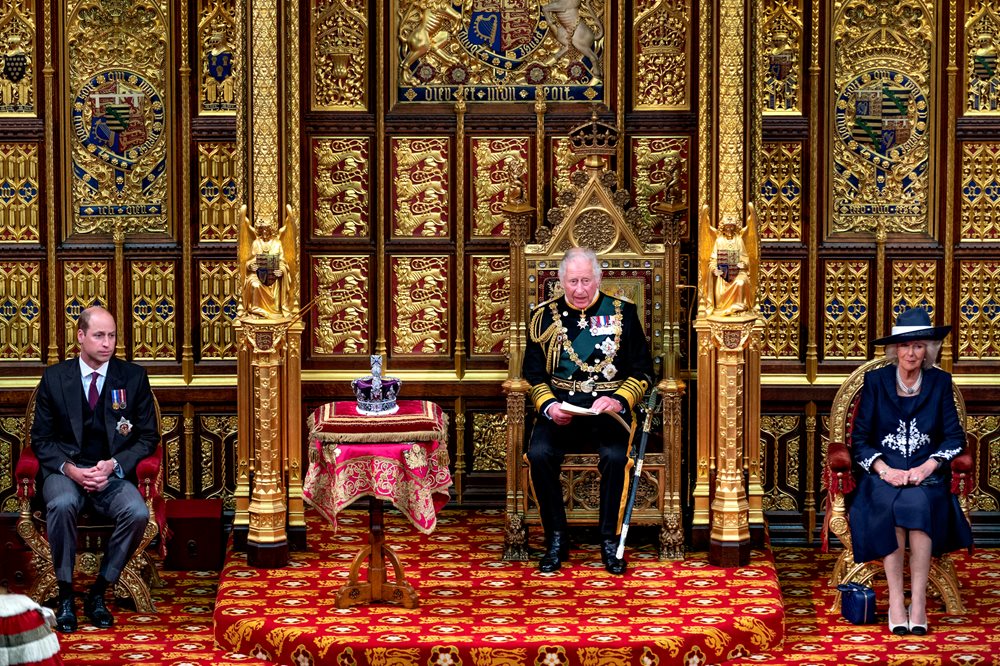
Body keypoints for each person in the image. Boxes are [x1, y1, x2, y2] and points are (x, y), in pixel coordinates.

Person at [522, 247, 653, 575]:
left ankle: (609, 540)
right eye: (572, 282)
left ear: (598, 278)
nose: (579, 290)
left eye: (585, 281)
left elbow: (643, 371)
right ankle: (556, 538)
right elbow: (534, 374)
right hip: (560, 410)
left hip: (607, 412)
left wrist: (618, 400)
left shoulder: (622, 312)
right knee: (538, 453)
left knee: (613, 456)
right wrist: (549, 406)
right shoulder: (544, 317)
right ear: (562, 281)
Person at [30, 307, 159, 633]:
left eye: (112, 336)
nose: (107, 343)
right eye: (99, 336)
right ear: (81, 337)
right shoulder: (55, 378)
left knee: (137, 512)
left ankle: (99, 591)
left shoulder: (132, 377)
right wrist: (71, 470)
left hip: (110, 474)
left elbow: (148, 437)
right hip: (66, 473)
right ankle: (65, 596)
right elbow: (41, 440)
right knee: (61, 503)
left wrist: (114, 465)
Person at [848, 307, 973, 636]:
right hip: (882, 475)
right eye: (905, 346)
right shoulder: (875, 381)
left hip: (926, 475)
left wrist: (928, 465)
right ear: (894, 350)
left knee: (917, 506)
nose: (911, 352)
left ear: (928, 350)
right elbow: (859, 439)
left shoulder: (940, 382)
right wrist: (884, 469)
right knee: (890, 506)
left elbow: (954, 437)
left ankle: (917, 603)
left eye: (919, 346)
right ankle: (895, 602)